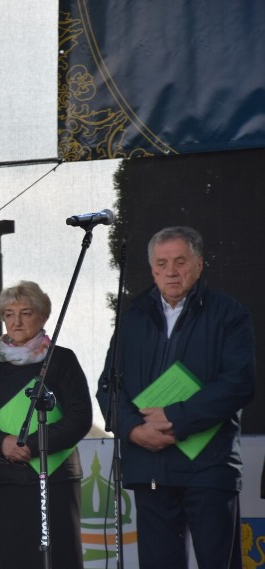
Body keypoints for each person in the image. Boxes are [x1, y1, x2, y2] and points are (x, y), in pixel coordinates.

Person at [96, 226, 255, 569]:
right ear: (152, 269)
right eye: (161, 263)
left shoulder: (229, 314)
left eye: (180, 261)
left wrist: (176, 417)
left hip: (209, 469)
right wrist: (134, 430)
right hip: (150, 466)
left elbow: (240, 383)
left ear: (198, 264)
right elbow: (108, 387)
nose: (171, 271)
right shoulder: (132, 317)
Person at [0, 280, 92, 569]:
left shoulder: (62, 361)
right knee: (11, 559)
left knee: (59, 558)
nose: (16, 321)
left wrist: (32, 445)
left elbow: (80, 417)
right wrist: (2, 444)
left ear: (43, 316)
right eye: (9, 314)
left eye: (25, 312)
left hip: (55, 478)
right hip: (5, 482)